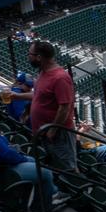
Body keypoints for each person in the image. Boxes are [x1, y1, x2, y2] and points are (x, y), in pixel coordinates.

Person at [26, 41, 78, 172]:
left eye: (30, 54)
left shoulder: (60, 77)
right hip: (44, 132)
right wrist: (16, 95)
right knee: (54, 166)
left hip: (58, 134)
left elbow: (64, 107)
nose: (28, 57)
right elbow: (38, 96)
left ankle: (75, 190)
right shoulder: (43, 72)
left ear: (39, 57)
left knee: (68, 168)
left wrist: (52, 130)